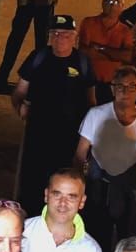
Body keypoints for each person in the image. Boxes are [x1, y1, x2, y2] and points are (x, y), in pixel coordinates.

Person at [10, 13, 94, 210]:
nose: (60, 38)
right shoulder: (38, 57)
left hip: (70, 136)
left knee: (64, 182)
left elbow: (91, 101)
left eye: (65, 34)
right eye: (55, 33)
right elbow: (19, 92)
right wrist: (19, 106)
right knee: (32, 182)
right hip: (37, 134)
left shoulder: (82, 62)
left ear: (74, 36)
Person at [75, 66, 136, 252]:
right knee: (96, 243)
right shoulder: (96, 115)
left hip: (132, 191)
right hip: (99, 190)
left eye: (131, 86)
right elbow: (80, 155)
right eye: (120, 86)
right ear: (112, 88)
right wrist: (78, 190)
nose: (125, 91)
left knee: (130, 245)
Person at [79, 0, 134, 103]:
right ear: (103, 3)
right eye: (109, 2)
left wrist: (100, 49)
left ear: (122, 6)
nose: (112, 6)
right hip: (90, 83)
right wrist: (115, 55)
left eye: (116, 3)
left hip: (111, 85)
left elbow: (127, 56)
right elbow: (84, 52)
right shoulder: (88, 23)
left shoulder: (125, 31)